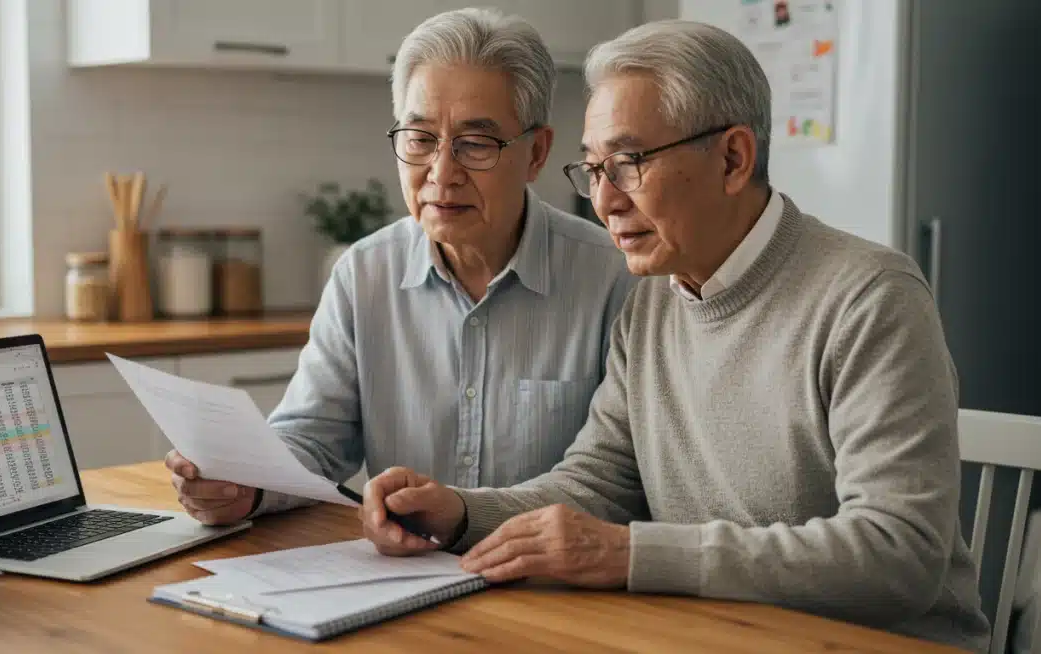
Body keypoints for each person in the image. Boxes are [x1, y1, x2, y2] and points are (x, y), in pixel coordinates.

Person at [358, 19, 991, 652]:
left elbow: (899, 553)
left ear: (733, 158)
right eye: (594, 168)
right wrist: (462, 512)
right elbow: (598, 485)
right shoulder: (653, 303)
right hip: (720, 636)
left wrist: (635, 554)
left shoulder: (869, 297)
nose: (604, 200)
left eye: (630, 163)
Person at [164, 8, 635, 526]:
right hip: (401, 580)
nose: (441, 173)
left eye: (475, 144)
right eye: (419, 139)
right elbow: (313, 437)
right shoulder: (363, 273)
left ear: (537, 153)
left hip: (554, 592)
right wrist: (244, 484)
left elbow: (615, 483)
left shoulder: (616, 281)